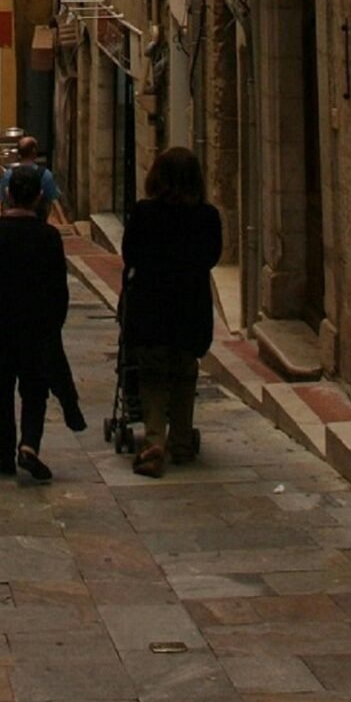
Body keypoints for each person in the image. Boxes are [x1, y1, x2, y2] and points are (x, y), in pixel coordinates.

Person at [0, 164, 69, 481]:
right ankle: (30, 445)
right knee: (35, 389)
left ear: (7, 194)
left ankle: (5, 454)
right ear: (38, 198)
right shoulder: (48, 237)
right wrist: (53, 326)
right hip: (35, 329)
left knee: (1, 391)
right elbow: (58, 289)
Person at [120, 145, 223, 479]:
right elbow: (211, 258)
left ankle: (153, 439)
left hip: (150, 304)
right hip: (189, 306)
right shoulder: (206, 217)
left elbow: (130, 254)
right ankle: (180, 440)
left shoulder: (144, 213)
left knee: (151, 374)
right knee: (184, 371)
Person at [0, 134, 63, 225]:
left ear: (19, 153)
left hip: (13, 224)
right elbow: (50, 201)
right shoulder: (45, 174)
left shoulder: (8, 174)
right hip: (37, 222)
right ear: (34, 151)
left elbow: (4, 202)